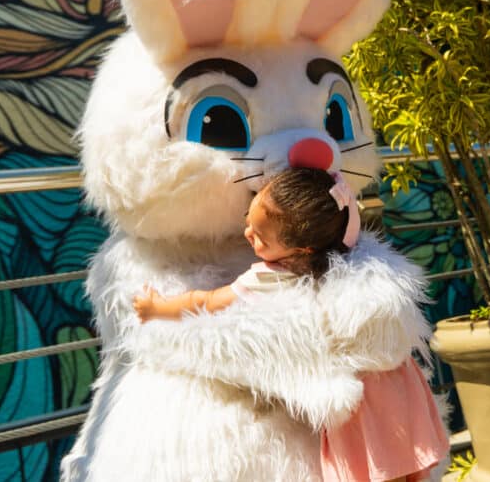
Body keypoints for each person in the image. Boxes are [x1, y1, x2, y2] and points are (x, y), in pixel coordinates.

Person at [132, 167, 448, 482]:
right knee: (408, 465)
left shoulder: (265, 277)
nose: (247, 235)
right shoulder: (352, 254)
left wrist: (158, 307)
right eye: (248, 221)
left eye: (260, 238)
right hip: (398, 382)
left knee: (378, 469)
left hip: (361, 403)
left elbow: (207, 301)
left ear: (301, 250)